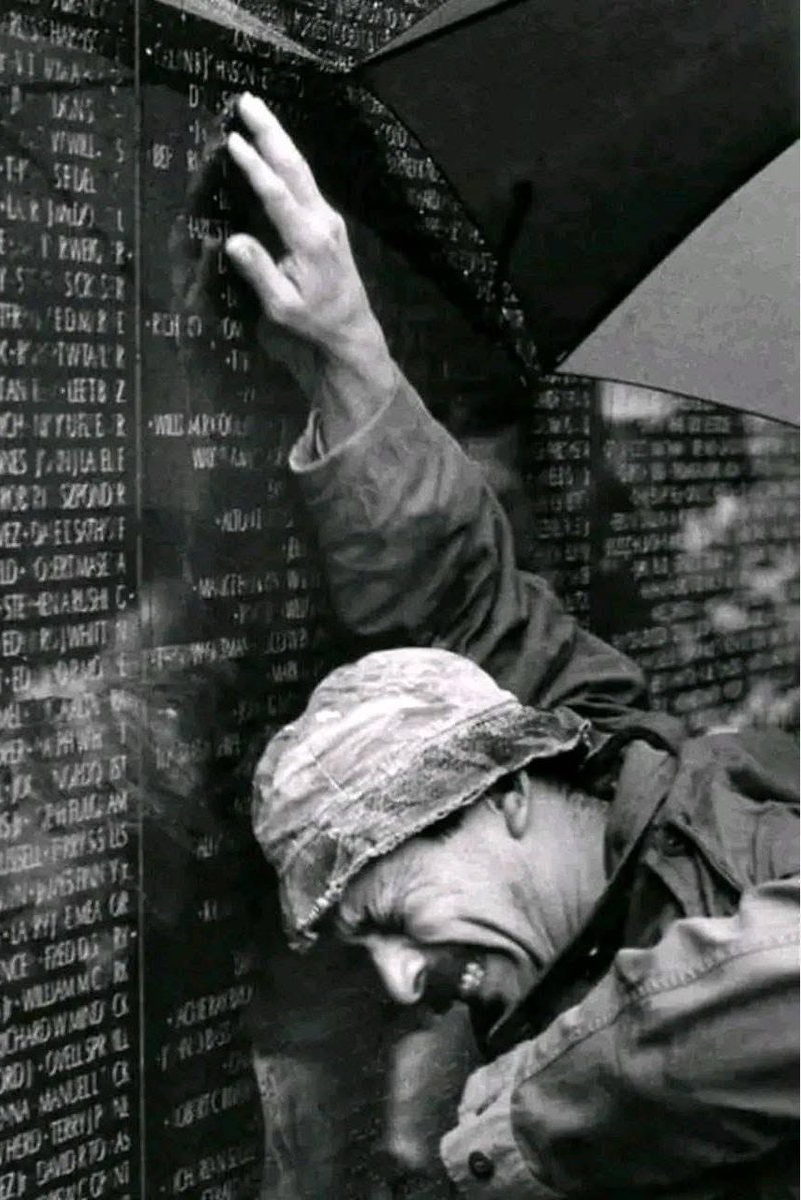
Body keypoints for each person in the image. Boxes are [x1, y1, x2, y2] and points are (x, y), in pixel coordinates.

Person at [223, 93, 800, 1197]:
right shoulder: (616, 763)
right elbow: (460, 609)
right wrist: (349, 360)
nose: (401, 988)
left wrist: (543, 1114)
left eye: (389, 916)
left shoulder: (742, 866)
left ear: (511, 800)